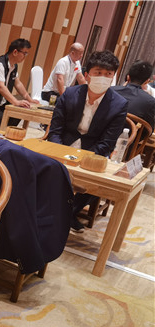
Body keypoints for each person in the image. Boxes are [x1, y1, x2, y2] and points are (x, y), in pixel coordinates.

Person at [47, 50, 128, 233]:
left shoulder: (119, 104)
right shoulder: (69, 94)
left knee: (102, 181)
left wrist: (85, 158)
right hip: (64, 145)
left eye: (108, 74)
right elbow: (56, 130)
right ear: (87, 75)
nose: (103, 78)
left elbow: (107, 142)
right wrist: (59, 151)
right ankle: (63, 212)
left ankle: (67, 211)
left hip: (93, 151)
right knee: (44, 166)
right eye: (98, 72)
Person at [112, 60, 155, 130]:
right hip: (128, 136)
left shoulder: (111, 90)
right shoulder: (150, 101)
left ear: (128, 77)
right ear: (147, 81)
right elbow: (148, 130)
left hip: (99, 133)